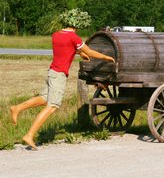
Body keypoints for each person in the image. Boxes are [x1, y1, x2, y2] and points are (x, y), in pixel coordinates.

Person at [10, 9, 115, 150]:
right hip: (59, 75)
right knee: (52, 106)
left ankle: (17, 108)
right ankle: (29, 135)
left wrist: (78, 53)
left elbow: (65, 48)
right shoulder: (74, 37)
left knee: (44, 98)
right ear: (77, 24)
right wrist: (105, 57)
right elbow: (89, 51)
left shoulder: (56, 35)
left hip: (52, 71)